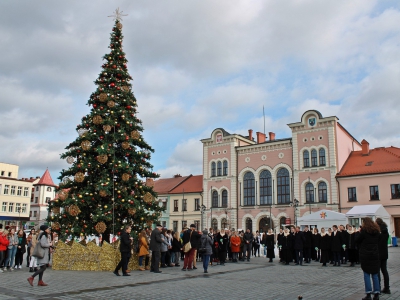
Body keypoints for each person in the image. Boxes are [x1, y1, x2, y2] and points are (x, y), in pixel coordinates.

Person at [356, 217, 381, 300]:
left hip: (365, 255)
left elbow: (357, 241)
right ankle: (377, 293)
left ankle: (368, 293)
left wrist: (359, 232)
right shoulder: (377, 231)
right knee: (375, 274)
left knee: (366, 274)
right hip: (375, 255)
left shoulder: (363, 232)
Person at [376, 218, 390, 294]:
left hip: (378, 253)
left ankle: (378, 288)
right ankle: (387, 288)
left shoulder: (378, 232)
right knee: (384, 270)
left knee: (377, 271)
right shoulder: (386, 231)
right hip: (384, 253)